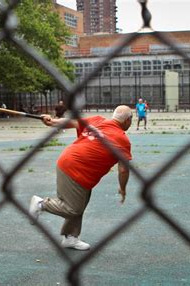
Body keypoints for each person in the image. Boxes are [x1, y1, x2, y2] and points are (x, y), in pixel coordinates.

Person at [28, 105, 133, 251]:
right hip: (75, 168)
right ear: (128, 120)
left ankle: (70, 237)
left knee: (80, 204)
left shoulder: (97, 120)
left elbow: (71, 122)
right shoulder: (122, 139)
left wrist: (52, 121)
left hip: (75, 166)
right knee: (73, 208)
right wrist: (123, 188)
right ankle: (41, 204)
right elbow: (123, 170)